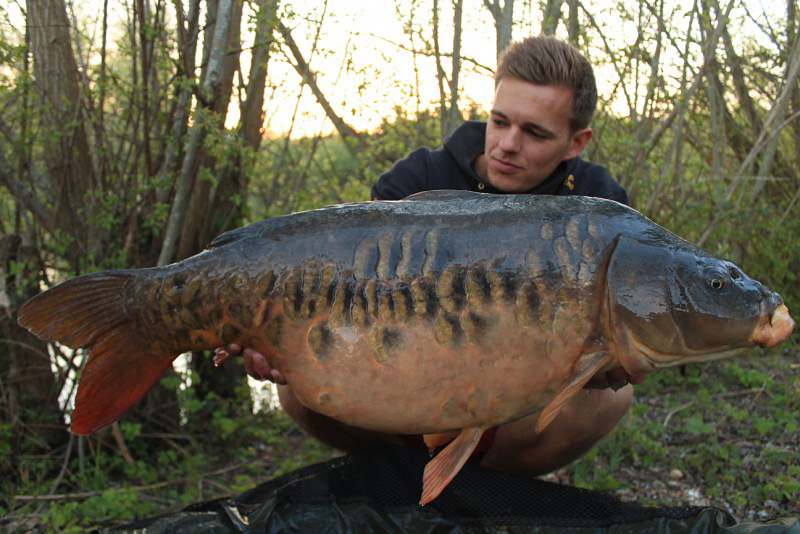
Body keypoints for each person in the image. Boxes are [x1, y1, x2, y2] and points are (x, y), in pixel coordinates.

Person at [217, 35, 645, 479]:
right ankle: (401, 475)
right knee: (295, 387)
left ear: (576, 142)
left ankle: (488, 489)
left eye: (535, 133)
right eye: (500, 122)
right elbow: (353, 296)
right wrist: (276, 337)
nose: (507, 144)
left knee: (609, 399)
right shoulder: (415, 179)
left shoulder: (599, 208)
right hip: (398, 391)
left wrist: (608, 358)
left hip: (517, 413)